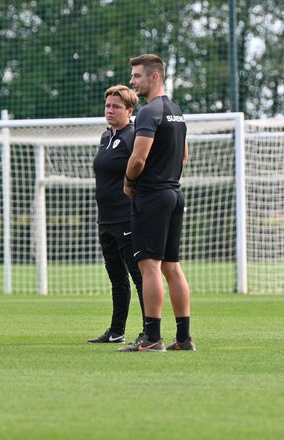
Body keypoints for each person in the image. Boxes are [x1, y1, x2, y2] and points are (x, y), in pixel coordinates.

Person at [118, 54, 195, 352]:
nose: (132, 81)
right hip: (174, 194)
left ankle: (152, 338)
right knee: (172, 267)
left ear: (155, 77)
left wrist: (128, 181)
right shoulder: (177, 111)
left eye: (137, 76)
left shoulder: (149, 112)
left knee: (149, 266)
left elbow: (138, 159)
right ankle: (184, 338)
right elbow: (184, 156)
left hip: (152, 197)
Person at [88, 85, 145, 345]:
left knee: (139, 276)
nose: (110, 110)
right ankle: (116, 331)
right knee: (116, 278)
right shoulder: (105, 137)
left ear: (129, 111)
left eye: (116, 107)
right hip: (106, 219)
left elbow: (144, 167)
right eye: (108, 106)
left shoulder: (134, 136)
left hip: (127, 218)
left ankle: (149, 331)